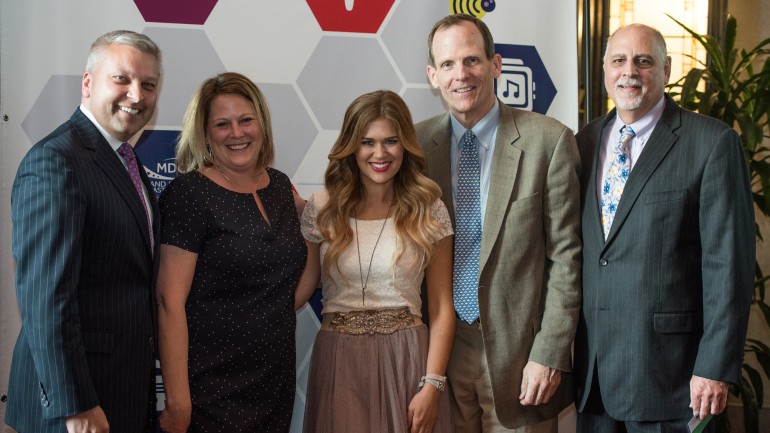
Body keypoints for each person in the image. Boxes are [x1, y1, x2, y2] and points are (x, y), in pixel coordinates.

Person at [573, 24, 755, 432]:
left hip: (673, 380)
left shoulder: (711, 143)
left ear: (667, 69)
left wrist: (714, 367)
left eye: (644, 61)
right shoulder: (583, 143)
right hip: (597, 379)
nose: (629, 72)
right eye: (618, 61)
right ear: (604, 70)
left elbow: (729, 267)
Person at [415, 14, 582, 433]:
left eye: (472, 60)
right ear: (433, 76)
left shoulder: (549, 141)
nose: (461, 75)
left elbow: (567, 260)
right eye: (448, 65)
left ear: (496, 64)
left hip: (520, 357)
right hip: (438, 356)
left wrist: (549, 353)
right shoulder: (414, 148)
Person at [6, 30, 162, 433]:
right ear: (88, 82)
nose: (137, 95)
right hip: (76, 405)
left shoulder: (126, 160)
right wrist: (74, 403)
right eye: (122, 79)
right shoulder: (57, 161)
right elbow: (45, 297)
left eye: (148, 85)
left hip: (119, 389)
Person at [295, 90, 455, 433]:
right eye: (367, 142)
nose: (379, 153)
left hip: (407, 358)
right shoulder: (321, 208)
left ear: (405, 145)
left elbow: (441, 307)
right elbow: (305, 285)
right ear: (352, 147)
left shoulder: (429, 209)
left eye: (391, 141)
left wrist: (433, 384)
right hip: (339, 359)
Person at [156, 72, 307, 433]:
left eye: (245, 120)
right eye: (222, 124)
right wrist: (178, 402)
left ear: (261, 124)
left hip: (274, 384)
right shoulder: (189, 195)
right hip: (211, 389)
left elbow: (290, 287)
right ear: (205, 135)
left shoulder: (281, 188)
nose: (237, 133)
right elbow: (168, 301)